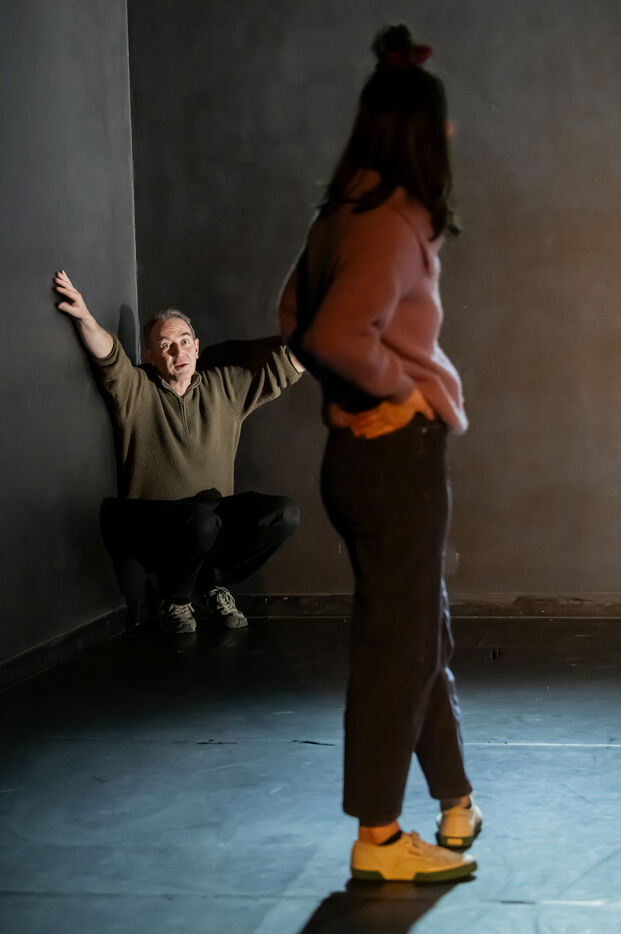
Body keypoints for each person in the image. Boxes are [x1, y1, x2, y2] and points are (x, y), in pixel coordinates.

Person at [279, 25, 482, 883]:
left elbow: (293, 319)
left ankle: (455, 800)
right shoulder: (393, 225)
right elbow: (333, 333)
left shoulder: (340, 218)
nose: (450, 135)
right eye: (441, 123)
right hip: (398, 458)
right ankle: (379, 837)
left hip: (357, 460)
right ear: (417, 133)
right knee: (399, 645)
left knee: (414, 629)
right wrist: (395, 393)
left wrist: (352, 396)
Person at [54, 270, 304, 633]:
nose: (178, 352)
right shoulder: (136, 389)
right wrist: (85, 317)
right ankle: (174, 597)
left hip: (209, 521)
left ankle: (209, 583)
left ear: (197, 348)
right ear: (150, 354)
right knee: (201, 521)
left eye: (185, 342)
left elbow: (284, 367)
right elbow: (109, 356)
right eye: (166, 345)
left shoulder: (224, 388)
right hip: (155, 525)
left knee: (283, 514)